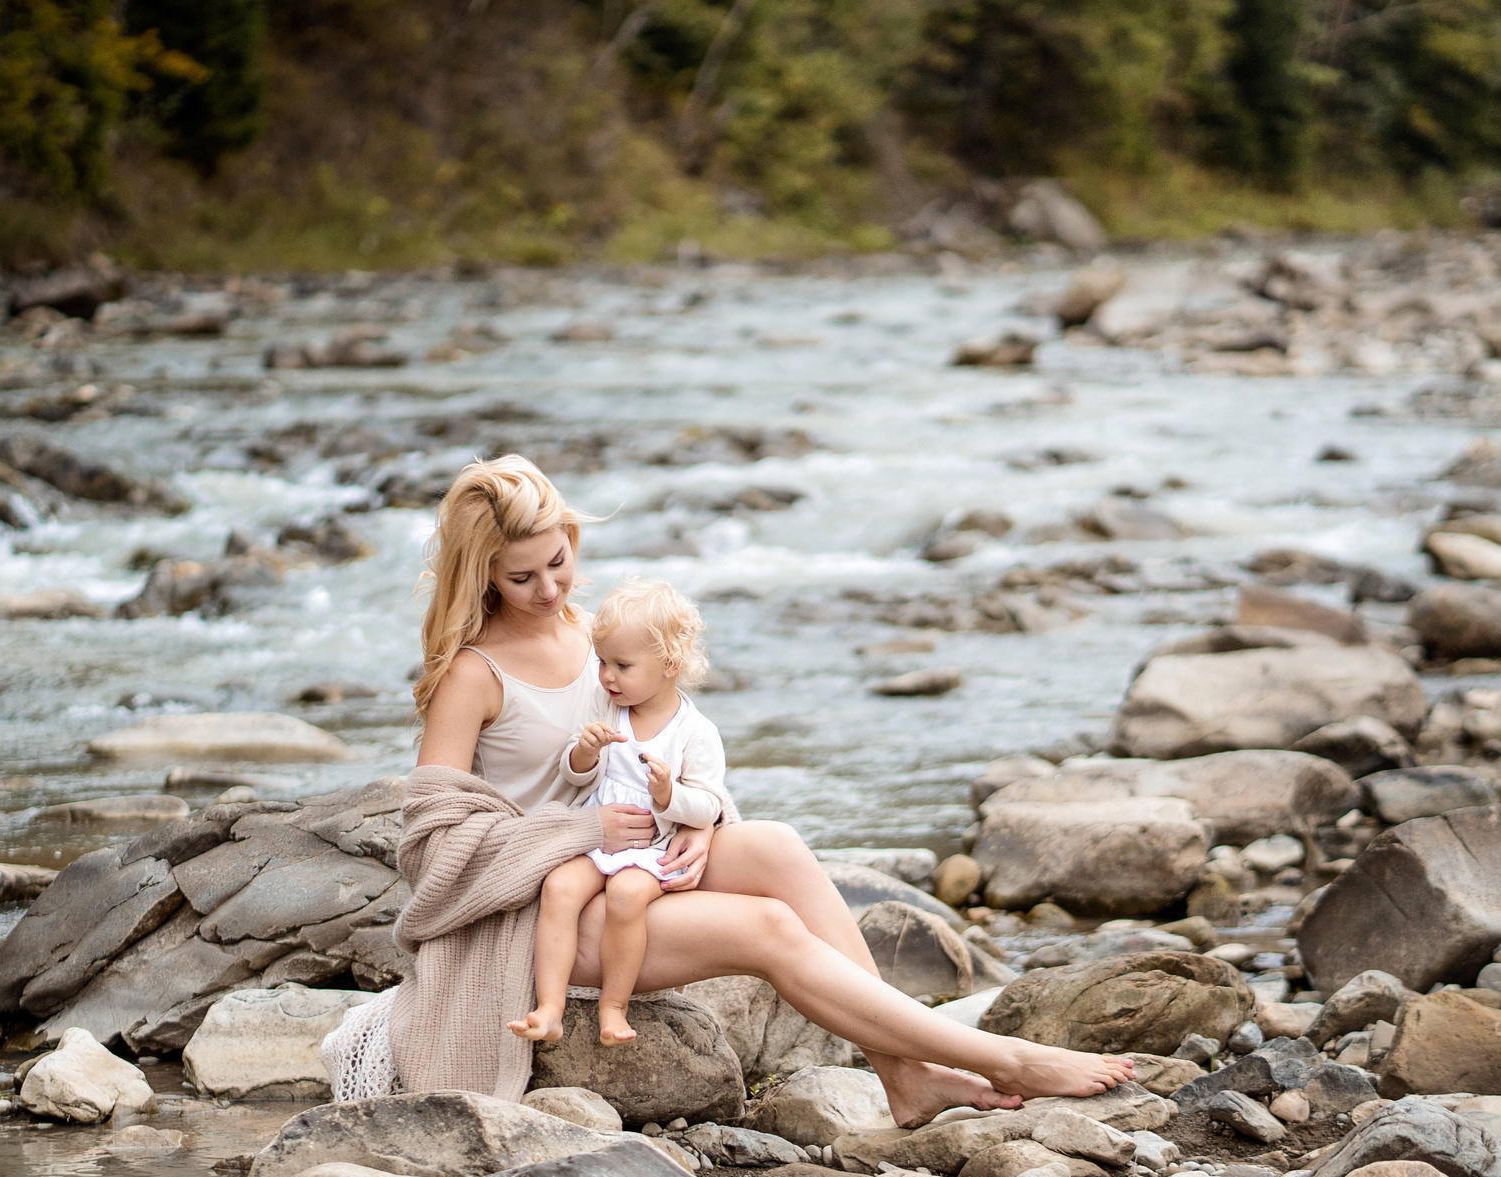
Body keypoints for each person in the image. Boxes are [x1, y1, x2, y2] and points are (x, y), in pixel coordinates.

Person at [398, 454, 1132, 1124]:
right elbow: (432, 852)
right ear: (483, 573)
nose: (549, 589)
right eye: (521, 578)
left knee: (776, 846)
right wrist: (583, 834)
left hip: (634, 858)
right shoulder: (473, 674)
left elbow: (672, 740)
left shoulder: (598, 635)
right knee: (768, 927)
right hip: (539, 910)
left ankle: (906, 1074)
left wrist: (700, 818)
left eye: (557, 562)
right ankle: (1000, 1058)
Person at [511, 579, 730, 1048]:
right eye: (603, 662)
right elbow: (574, 774)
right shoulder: (607, 706)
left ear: (670, 665)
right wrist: (584, 753)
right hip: (600, 831)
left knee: (627, 896)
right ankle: (550, 1006)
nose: (608, 676)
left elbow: (710, 804)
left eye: (623, 665)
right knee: (559, 886)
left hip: (652, 846)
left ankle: (614, 1004)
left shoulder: (696, 732)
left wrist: (670, 794)